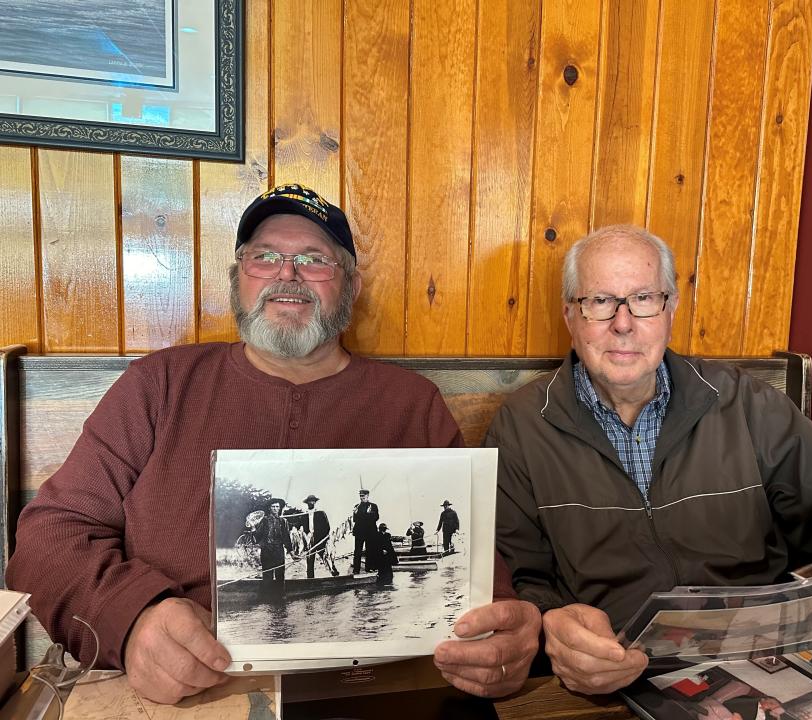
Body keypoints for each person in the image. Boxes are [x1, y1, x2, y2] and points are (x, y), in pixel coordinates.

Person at [6, 183, 542, 704]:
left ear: (351, 287)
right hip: (186, 695)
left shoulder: (412, 405)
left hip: (375, 694)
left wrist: (504, 639)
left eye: (315, 259)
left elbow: (482, 588)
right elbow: (48, 540)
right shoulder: (160, 384)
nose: (287, 275)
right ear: (237, 278)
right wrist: (132, 619)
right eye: (263, 256)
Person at [489, 224, 812, 695]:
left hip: (769, 666)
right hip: (617, 684)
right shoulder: (521, 427)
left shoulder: (746, 404)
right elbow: (516, 577)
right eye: (600, 301)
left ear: (670, 309)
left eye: (644, 299)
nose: (624, 322)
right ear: (571, 315)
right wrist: (552, 624)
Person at [255, 499, 295, 582]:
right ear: (269, 508)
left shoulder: (283, 521)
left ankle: (280, 595)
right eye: (273, 506)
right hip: (266, 551)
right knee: (267, 576)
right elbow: (258, 537)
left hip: (278, 551)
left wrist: (292, 553)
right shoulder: (264, 520)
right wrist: (253, 529)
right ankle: (267, 595)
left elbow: (286, 538)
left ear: (279, 508)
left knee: (280, 575)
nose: (275, 508)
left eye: (277, 507)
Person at [300, 493, 337, 578]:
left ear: (315, 502)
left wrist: (324, 538)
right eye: (310, 501)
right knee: (309, 560)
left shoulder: (320, 513)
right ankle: (310, 578)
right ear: (307, 503)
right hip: (309, 540)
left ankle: (334, 573)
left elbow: (327, 526)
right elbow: (300, 525)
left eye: (313, 501)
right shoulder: (304, 514)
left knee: (326, 557)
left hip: (319, 539)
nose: (311, 502)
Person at [352, 488, 380, 573]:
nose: (362, 498)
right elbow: (354, 520)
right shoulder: (357, 506)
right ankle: (356, 570)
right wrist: (355, 513)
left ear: (367, 496)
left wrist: (368, 514)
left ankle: (369, 568)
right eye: (360, 496)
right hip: (359, 532)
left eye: (363, 496)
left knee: (370, 551)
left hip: (370, 532)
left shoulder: (373, 506)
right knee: (357, 551)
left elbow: (376, 518)